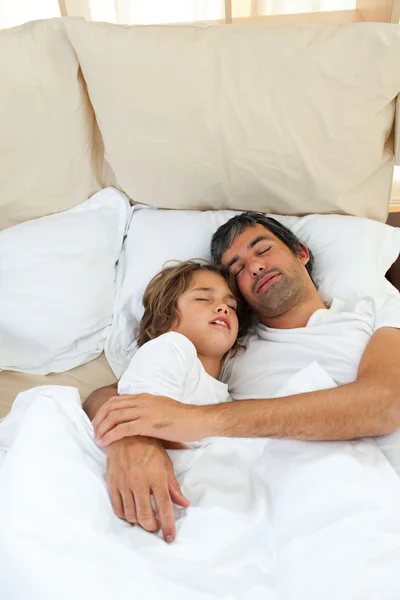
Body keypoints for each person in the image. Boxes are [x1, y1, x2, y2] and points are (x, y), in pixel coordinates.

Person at [86, 211, 400, 543]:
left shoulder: (376, 310)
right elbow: (107, 395)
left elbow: (384, 403)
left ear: (300, 252)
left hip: (376, 496)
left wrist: (194, 420)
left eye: (263, 250)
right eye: (237, 269)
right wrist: (133, 440)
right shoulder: (232, 349)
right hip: (288, 508)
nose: (254, 267)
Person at [87, 259, 248, 542]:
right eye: (202, 298)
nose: (222, 307)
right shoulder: (173, 347)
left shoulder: (224, 394)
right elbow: (143, 415)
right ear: (165, 320)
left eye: (231, 306)